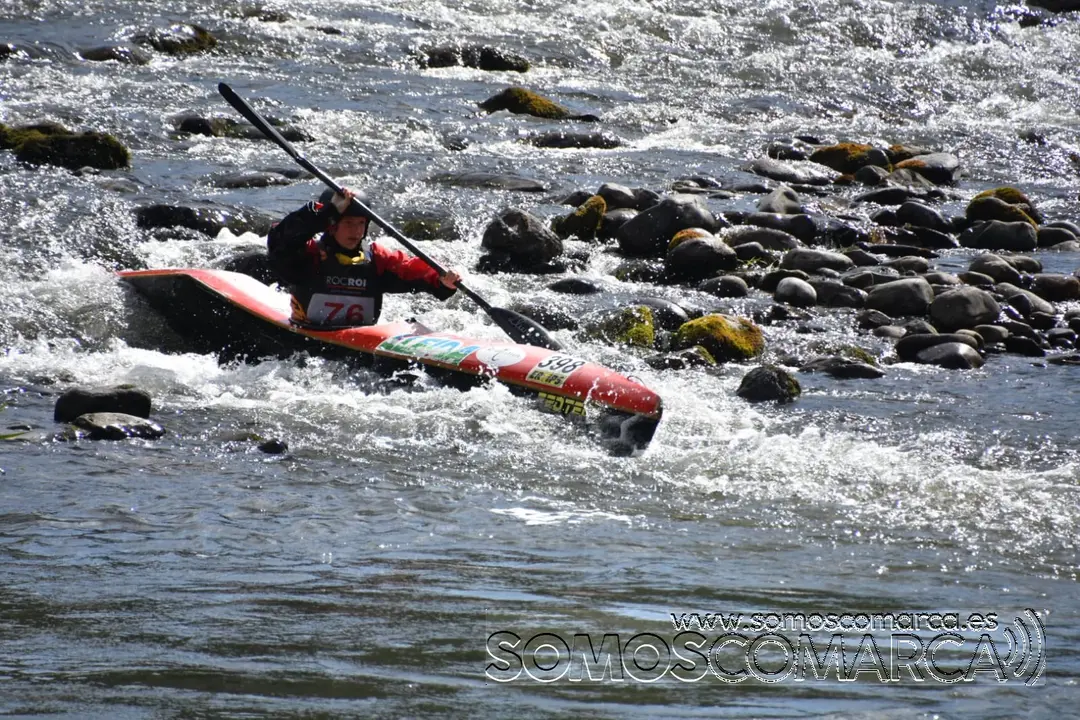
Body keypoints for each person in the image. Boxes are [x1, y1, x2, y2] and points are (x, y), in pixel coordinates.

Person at [267, 188, 461, 327]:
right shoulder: (309, 255)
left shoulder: (377, 259)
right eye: (349, 223)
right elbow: (279, 240)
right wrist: (328, 212)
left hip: (358, 345)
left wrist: (441, 280)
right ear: (331, 225)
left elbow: (411, 269)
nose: (357, 231)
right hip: (308, 340)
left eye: (361, 223)